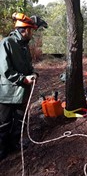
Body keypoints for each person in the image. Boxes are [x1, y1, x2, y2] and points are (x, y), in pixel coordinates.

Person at [0, 12, 46, 161]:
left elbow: (28, 67)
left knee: (20, 120)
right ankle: (1, 151)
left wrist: (33, 74)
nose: (32, 33)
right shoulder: (7, 43)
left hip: (21, 92)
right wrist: (23, 79)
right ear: (24, 30)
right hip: (7, 92)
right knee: (4, 123)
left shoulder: (24, 47)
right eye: (31, 30)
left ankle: (14, 144)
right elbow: (5, 70)